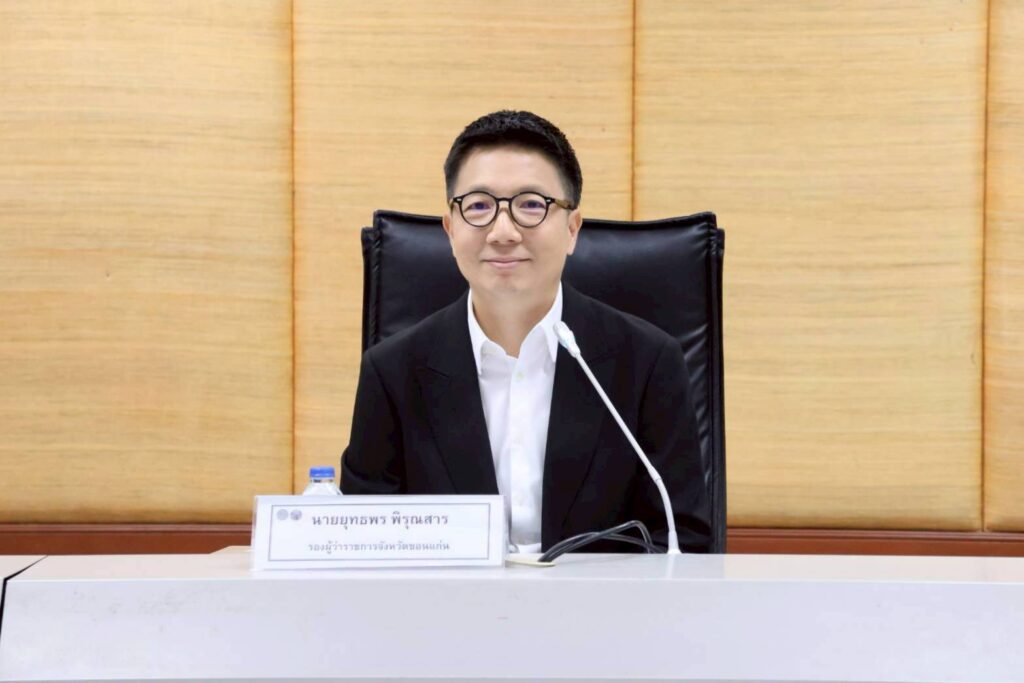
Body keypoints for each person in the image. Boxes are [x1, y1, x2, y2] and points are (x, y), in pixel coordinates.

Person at [341, 110, 711, 553]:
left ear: (572, 229)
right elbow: (366, 546)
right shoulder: (392, 373)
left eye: (532, 205)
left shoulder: (647, 363)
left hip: (600, 598)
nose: (503, 232)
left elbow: (681, 542)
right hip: (448, 599)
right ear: (450, 230)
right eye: (478, 206)